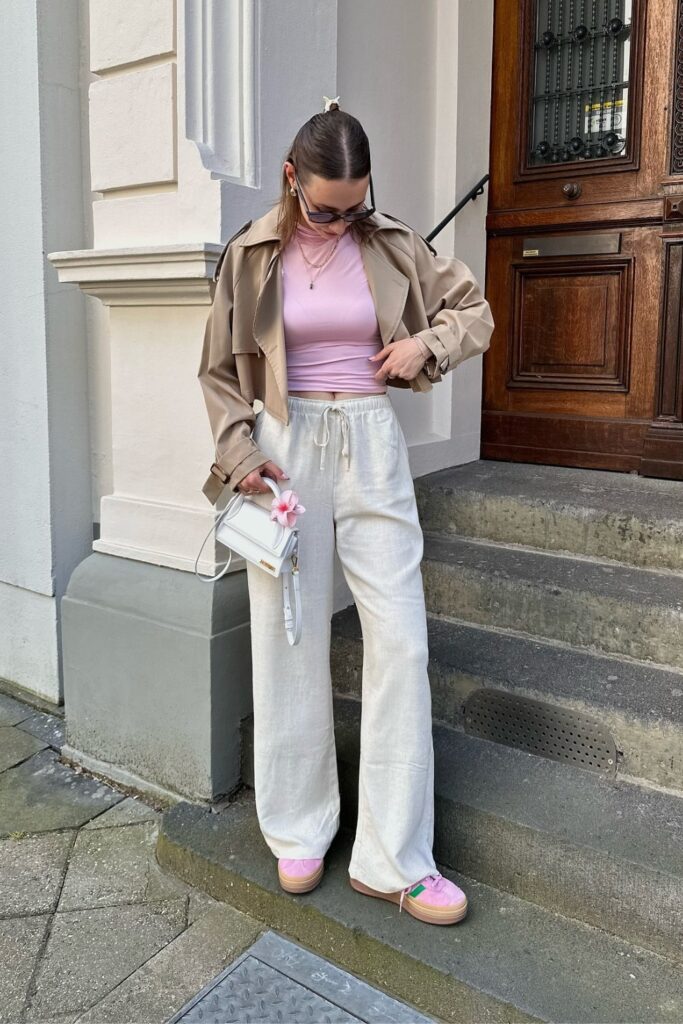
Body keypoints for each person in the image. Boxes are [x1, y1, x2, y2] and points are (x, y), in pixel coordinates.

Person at [197, 97, 494, 926]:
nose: (340, 219)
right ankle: (298, 826)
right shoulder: (252, 253)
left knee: (399, 638)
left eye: (355, 202)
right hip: (286, 445)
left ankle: (394, 858)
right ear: (293, 180)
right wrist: (242, 454)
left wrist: (421, 347)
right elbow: (220, 370)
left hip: (370, 439)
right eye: (326, 206)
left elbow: (473, 315)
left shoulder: (390, 240)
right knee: (287, 632)